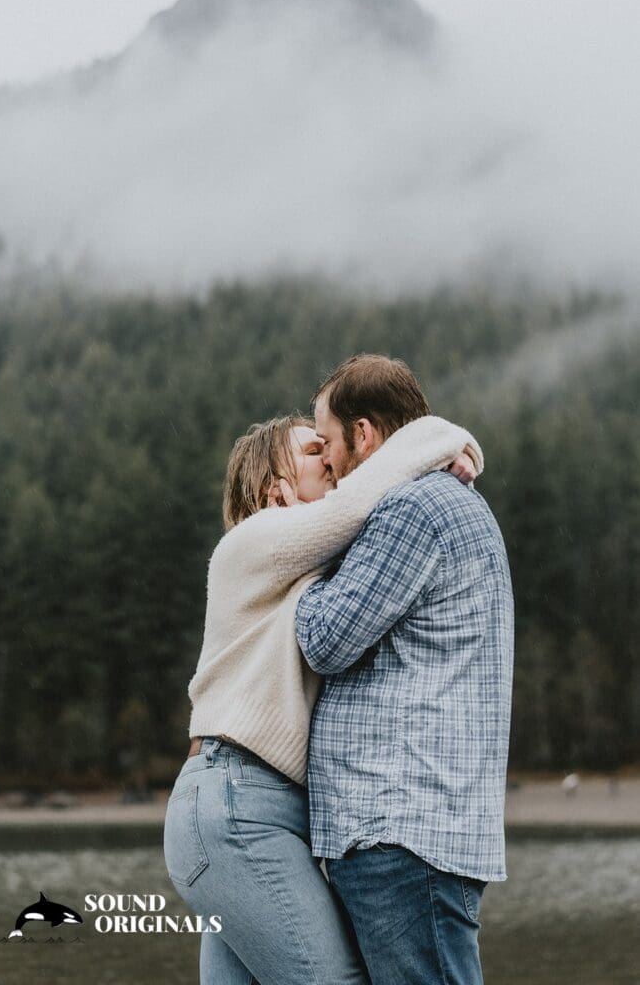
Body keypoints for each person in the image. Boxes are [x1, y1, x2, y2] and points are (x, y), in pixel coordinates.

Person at [164, 392, 483, 985]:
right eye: (313, 452)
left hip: (255, 810)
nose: (332, 462)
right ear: (271, 488)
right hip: (236, 806)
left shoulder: (309, 569)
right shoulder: (250, 543)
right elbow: (363, 498)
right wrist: (450, 440)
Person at [295, 354, 515, 985]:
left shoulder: (412, 511)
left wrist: (295, 567)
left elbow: (324, 639)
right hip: (414, 829)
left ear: (364, 434)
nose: (328, 462)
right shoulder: (440, 501)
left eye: (328, 442)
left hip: (402, 830)